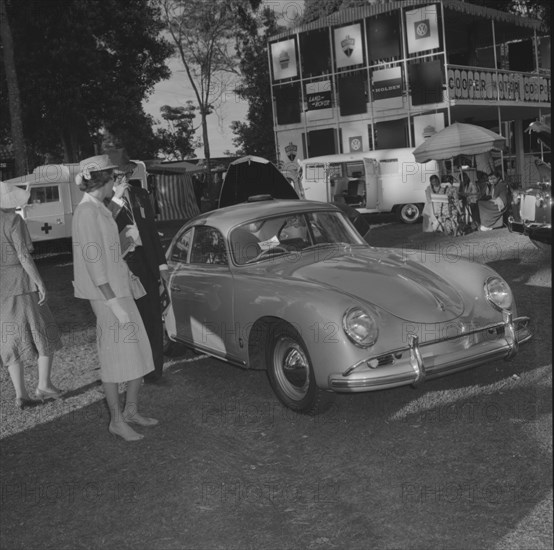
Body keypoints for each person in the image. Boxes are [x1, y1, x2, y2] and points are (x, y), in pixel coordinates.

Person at [72, 155, 158, 441]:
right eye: (114, 179)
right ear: (104, 180)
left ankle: (131, 411)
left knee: (139, 351)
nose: (117, 185)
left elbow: (109, 253)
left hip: (120, 289)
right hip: (107, 296)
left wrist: (126, 240)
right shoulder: (86, 212)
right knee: (113, 358)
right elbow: (94, 264)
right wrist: (112, 304)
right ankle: (116, 420)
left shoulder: (99, 208)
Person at [0, 181, 63, 409]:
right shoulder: (14, 220)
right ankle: (44, 384)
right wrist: (40, 282)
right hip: (21, 285)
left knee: (10, 339)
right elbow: (23, 256)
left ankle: (21, 394)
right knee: (43, 331)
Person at [109, 155, 169, 385]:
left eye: (127, 174)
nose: (124, 179)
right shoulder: (104, 203)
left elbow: (152, 233)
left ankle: (154, 371)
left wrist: (162, 265)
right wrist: (115, 199)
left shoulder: (142, 196)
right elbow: (103, 229)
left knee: (152, 317)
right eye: (119, 176)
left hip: (145, 262)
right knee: (129, 320)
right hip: (122, 265)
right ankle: (132, 370)